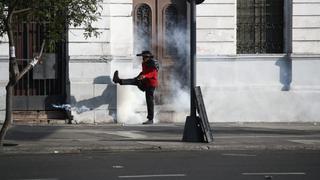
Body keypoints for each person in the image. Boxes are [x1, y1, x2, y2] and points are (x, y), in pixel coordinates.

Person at [113, 50, 159, 124]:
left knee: (149, 101)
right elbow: (144, 71)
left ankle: (150, 119)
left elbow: (153, 73)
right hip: (145, 82)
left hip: (151, 85)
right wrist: (140, 75)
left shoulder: (153, 63)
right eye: (143, 57)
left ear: (148, 57)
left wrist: (144, 76)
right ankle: (118, 80)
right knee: (134, 80)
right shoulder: (144, 63)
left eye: (144, 57)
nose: (143, 59)